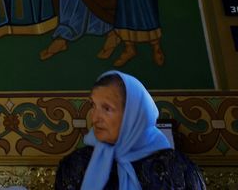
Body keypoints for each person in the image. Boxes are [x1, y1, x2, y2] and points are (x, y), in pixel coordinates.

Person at [55, 71, 205, 189]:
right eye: (93, 106)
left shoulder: (178, 168)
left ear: (133, 114)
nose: (95, 118)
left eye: (107, 108)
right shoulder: (75, 165)